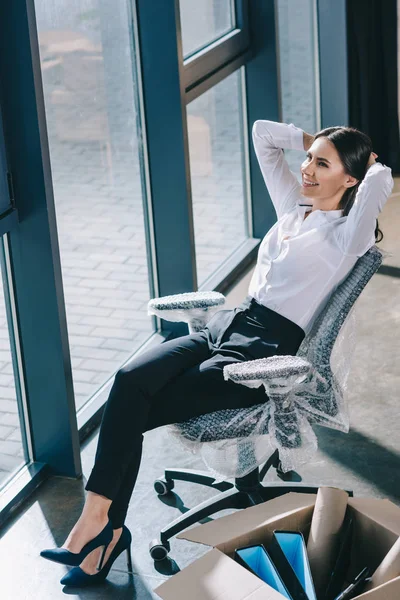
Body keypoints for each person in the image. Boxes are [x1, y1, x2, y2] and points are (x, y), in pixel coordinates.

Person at [40, 120, 394, 586]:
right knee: (129, 381)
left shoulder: (349, 237)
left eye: (322, 164)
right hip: (228, 323)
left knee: (135, 412)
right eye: (309, 159)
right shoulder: (294, 208)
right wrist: (313, 142)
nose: (306, 169)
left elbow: (377, 184)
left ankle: (96, 534)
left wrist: (374, 167)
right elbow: (262, 135)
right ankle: (103, 528)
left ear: (350, 180)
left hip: (259, 356)